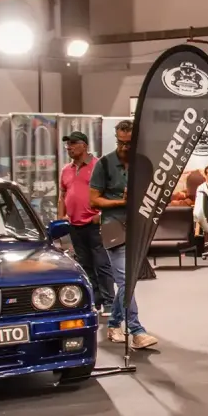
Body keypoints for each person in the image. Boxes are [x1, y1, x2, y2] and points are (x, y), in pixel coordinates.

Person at [89, 120, 159, 349]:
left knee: (129, 280)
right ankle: (136, 330)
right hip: (113, 226)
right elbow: (94, 200)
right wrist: (122, 202)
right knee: (125, 280)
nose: (124, 147)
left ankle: (113, 323)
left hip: (137, 227)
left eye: (129, 143)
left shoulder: (144, 163)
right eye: (121, 142)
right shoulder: (104, 164)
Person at [58, 131, 114, 317]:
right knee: (85, 265)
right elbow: (62, 196)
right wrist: (61, 218)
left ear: (84, 145)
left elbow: (110, 193)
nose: (69, 147)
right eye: (68, 144)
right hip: (74, 225)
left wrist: (101, 214)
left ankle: (109, 302)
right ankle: (95, 301)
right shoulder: (66, 170)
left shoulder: (99, 166)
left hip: (94, 224)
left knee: (101, 264)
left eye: (73, 143)